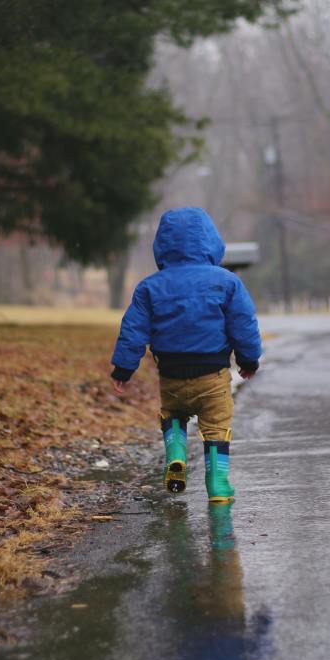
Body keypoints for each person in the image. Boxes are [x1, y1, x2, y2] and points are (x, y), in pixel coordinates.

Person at [110, 207, 262, 502]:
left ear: (162, 245)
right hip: (213, 375)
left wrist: (123, 369)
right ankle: (217, 483)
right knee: (216, 425)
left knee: (173, 414)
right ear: (210, 241)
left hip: (171, 376)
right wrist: (248, 360)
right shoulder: (226, 282)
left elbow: (133, 330)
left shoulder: (150, 287)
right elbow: (243, 324)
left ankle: (176, 454)